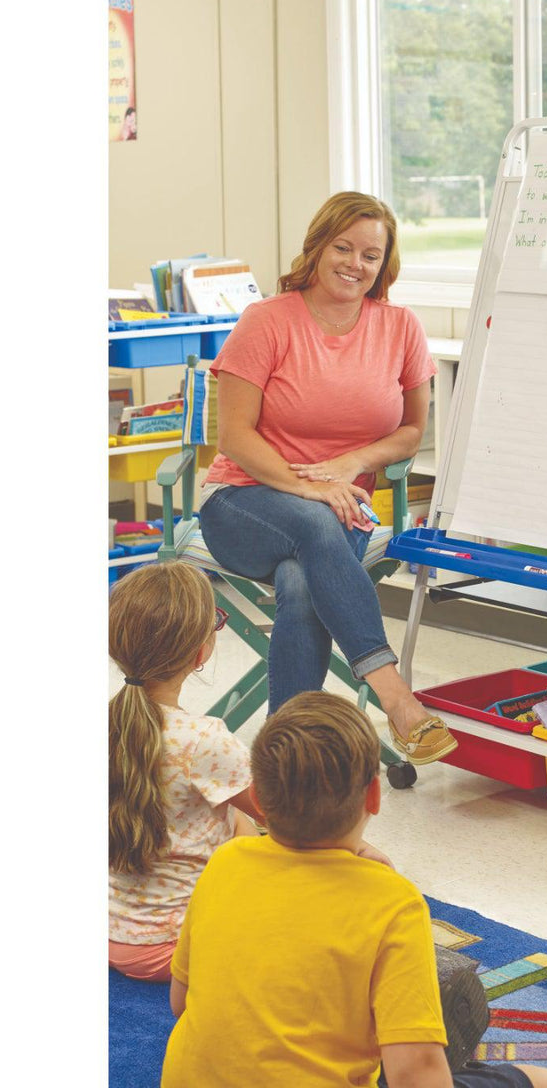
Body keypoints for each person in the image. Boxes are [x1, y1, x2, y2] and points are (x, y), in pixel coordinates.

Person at [161, 694, 547, 1088]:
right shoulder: (392, 902)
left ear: (258, 799)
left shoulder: (226, 861)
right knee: (544, 1080)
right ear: (374, 796)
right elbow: (415, 1075)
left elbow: (181, 1003)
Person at [197, 190, 456, 765]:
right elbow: (235, 436)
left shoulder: (400, 327)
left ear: (384, 264)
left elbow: (413, 429)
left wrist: (352, 464)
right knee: (313, 527)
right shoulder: (266, 320)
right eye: (343, 247)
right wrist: (313, 486)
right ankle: (398, 700)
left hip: (343, 510)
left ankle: (284, 761)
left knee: (300, 582)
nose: (354, 264)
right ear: (318, 247)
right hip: (242, 503)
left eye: (371, 254)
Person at [108, 562, 264, 983]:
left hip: (108, 932)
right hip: (176, 949)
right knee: (248, 827)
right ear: (199, 654)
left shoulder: (107, 722)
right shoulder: (204, 739)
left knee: (233, 818)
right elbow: (282, 817)